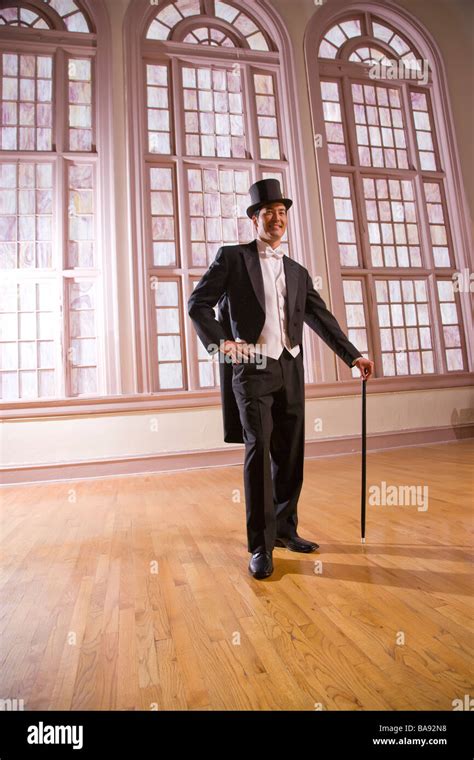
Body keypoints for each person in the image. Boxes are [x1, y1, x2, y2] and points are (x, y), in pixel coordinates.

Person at [188, 179, 374, 579]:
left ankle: (286, 530)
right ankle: (260, 546)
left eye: (282, 212)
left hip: (290, 367)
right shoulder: (232, 259)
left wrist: (353, 356)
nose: (277, 218)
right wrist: (223, 345)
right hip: (253, 368)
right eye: (268, 212)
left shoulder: (297, 270)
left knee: (290, 452)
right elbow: (197, 304)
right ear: (255, 219)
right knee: (259, 452)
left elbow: (321, 319)